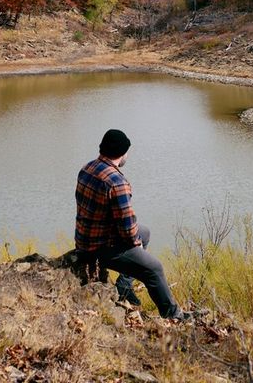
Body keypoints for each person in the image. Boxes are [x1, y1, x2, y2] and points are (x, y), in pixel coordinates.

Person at [74, 128, 190, 320]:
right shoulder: (117, 182)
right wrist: (137, 246)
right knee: (154, 268)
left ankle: (124, 286)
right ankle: (173, 315)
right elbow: (127, 230)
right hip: (100, 249)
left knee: (145, 232)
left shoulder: (87, 168)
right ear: (122, 152)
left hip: (85, 239)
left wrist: (137, 239)